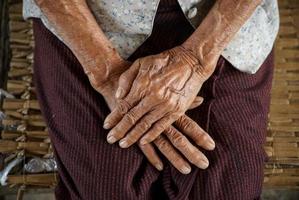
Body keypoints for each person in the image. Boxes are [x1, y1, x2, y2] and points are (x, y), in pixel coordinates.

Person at [23, 0, 279, 199]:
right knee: (107, 190)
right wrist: (107, 74)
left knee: (227, 189)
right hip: (84, 21)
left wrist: (197, 60)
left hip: (223, 21)